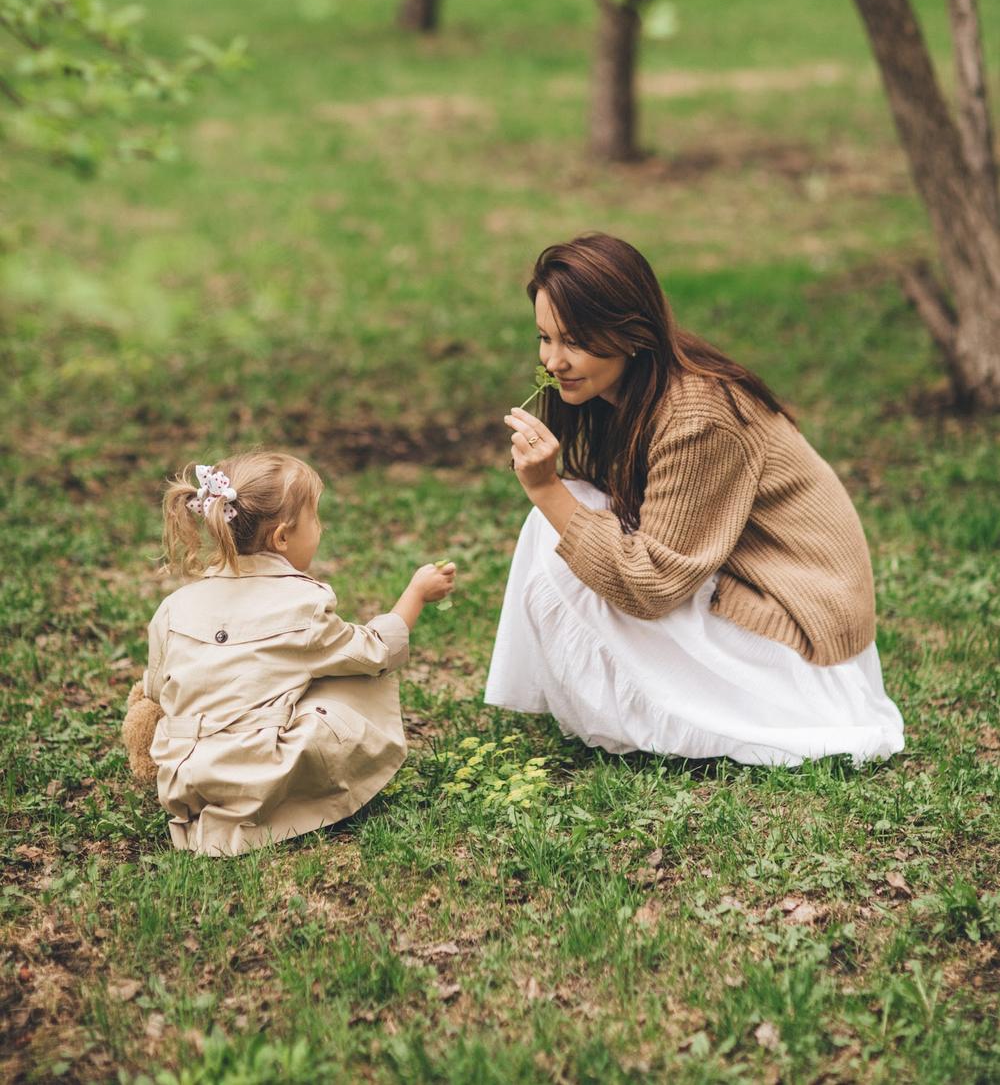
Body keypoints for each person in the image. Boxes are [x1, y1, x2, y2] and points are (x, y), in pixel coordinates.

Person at [485, 234, 904, 767]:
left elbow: (651, 585)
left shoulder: (697, 416)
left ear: (630, 331)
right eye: (545, 338)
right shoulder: (629, 391)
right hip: (750, 588)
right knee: (569, 509)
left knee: (556, 520)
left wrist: (545, 489)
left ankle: (677, 717)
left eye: (575, 341)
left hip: (797, 634)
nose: (554, 360)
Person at [129, 450, 455, 856]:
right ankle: (279, 808)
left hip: (184, 777)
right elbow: (377, 651)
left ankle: (209, 808)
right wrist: (417, 594)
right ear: (282, 537)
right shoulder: (303, 606)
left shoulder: (174, 606)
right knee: (352, 675)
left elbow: (157, 690)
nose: (320, 529)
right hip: (259, 779)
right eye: (315, 519)